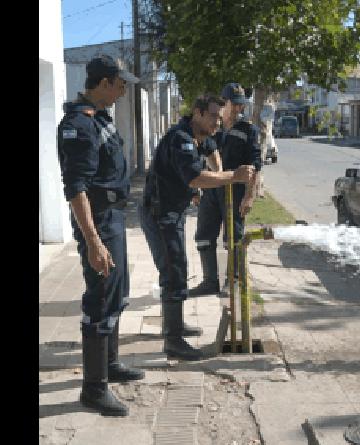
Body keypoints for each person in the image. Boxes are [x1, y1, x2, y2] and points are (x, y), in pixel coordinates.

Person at [56, 55, 142, 417]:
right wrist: (93, 240)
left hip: (113, 217)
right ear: (105, 83)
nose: (124, 91)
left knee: (118, 291)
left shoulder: (100, 118)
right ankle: (93, 388)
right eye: (121, 84)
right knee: (101, 294)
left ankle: (110, 364)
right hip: (98, 221)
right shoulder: (79, 124)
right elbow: (76, 187)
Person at [140, 94, 256, 360]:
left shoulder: (199, 134)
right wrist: (232, 176)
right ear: (198, 113)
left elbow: (212, 150)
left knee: (177, 268)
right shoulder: (181, 139)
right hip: (159, 214)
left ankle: (176, 326)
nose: (218, 121)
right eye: (214, 116)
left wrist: (220, 171)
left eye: (220, 116)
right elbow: (195, 178)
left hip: (171, 212)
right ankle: (173, 341)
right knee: (173, 270)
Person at [189, 82, 262, 297]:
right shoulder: (210, 126)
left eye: (241, 104)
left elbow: (255, 166)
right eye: (235, 104)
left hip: (234, 192)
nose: (239, 108)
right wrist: (194, 190)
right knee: (203, 235)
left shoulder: (248, 130)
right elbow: (197, 158)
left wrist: (249, 196)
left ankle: (234, 281)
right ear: (224, 103)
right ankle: (209, 282)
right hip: (210, 190)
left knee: (234, 238)